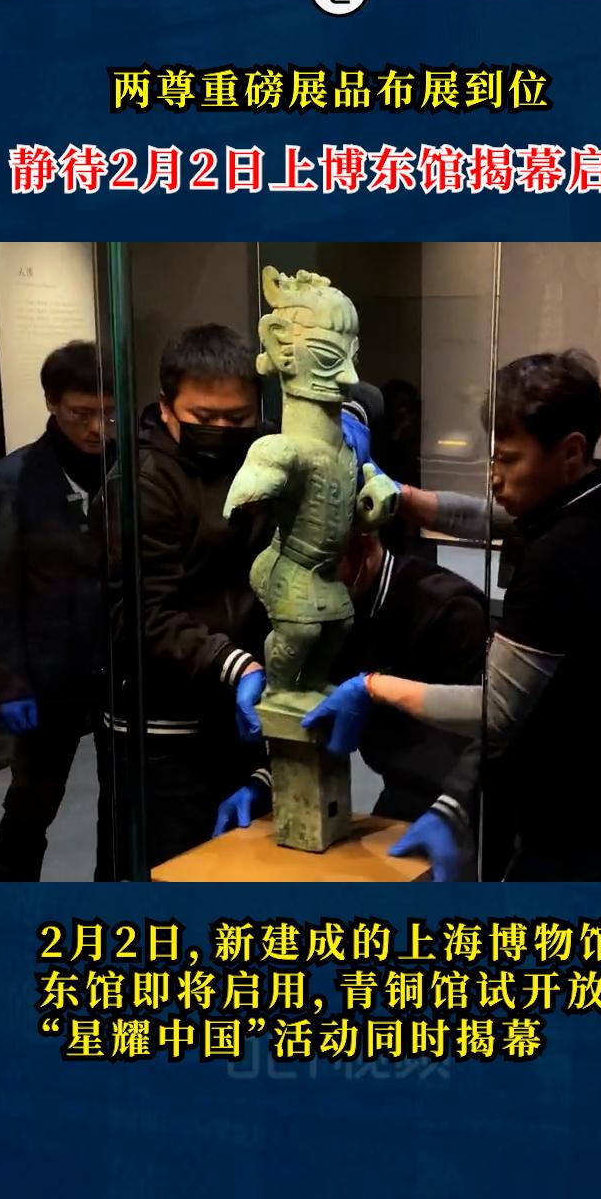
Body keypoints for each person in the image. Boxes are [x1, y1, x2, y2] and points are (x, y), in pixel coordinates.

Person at [308, 350, 601, 883]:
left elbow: (494, 712)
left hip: (579, 826)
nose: (494, 477)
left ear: (571, 450)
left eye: (510, 460)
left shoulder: (560, 558)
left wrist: (373, 687)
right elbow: (490, 517)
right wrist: (402, 497)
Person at [101, 322, 383, 874]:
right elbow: (142, 613)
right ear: (166, 407)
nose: (222, 430)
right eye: (205, 418)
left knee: (249, 865)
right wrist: (237, 666)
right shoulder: (141, 483)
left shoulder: (267, 451)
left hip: (244, 713)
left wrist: (345, 423)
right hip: (164, 727)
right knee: (166, 870)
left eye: (237, 418)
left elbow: (362, 398)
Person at [212, 529, 488, 878]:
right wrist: (269, 779)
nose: (311, 586)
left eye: (323, 569)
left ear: (364, 547)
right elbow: (312, 712)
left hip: (470, 801)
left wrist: (453, 807)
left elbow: (490, 730)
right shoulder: (332, 613)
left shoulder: (449, 609)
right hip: (401, 792)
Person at [0, 340, 114, 881]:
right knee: (32, 804)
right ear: (52, 403)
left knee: (123, 802)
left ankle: (112, 905)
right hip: (47, 672)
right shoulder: (11, 483)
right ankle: (6, 911)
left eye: (109, 414)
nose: (97, 429)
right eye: (82, 414)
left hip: (117, 667)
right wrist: (7, 684)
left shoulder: (128, 469)